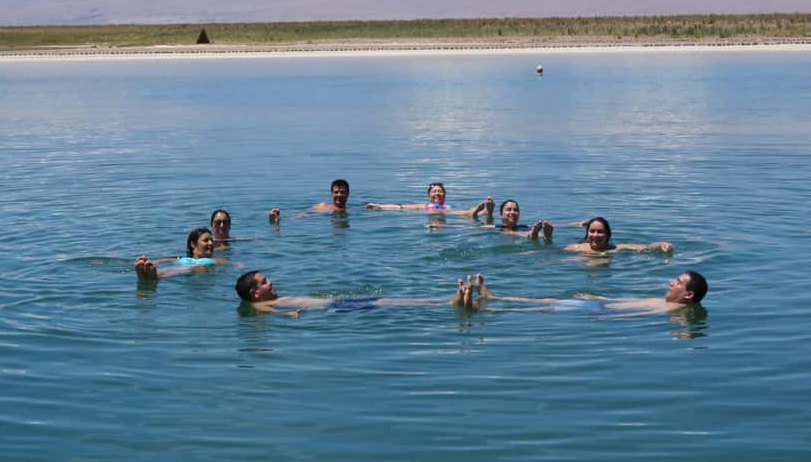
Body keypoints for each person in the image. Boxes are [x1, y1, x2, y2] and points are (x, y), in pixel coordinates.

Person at [234, 270, 479, 316]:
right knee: (387, 303)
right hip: (336, 309)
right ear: (255, 293)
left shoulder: (274, 299)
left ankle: (445, 301)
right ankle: (447, 303)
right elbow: (264, 311)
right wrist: (286, 316)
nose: (271, 282)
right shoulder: (258, 306)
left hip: (339, 303)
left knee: (387, 300)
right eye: (265, 282)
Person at [461, 271, 708, 313]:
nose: (670, 283)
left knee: (545, 308)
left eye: (676, 282)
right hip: (600, 307)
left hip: (600, 314)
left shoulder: (675, 309)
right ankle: (493, 299)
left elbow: (639, 315)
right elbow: (634, 302)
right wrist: (601, 298)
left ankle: (483, 309)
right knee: (548, 301)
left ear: (688, 295)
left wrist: (611, 315)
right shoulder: (666, 303)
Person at [135, 227, 229, 281]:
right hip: (185, 267)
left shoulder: (215, 260)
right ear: (193, 244)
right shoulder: (180, 258)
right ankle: (149, 274)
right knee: (175, 269)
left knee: (186, 269)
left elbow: (235, 264)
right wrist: (147, 261)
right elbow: (159, 261)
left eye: (211, 240)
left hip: (193, 269)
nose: (211, 243)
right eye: (206, 240)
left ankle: (152, 276)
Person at [365, 182, 494, 218]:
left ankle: (485, 212)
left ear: (445, 196)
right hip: (432, 217)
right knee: (467, 214)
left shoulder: (448, 207)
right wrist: (379, 206)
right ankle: (479, 212)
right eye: (434, 192)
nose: (437, 194)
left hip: (446, 215)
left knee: (464, 213)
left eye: (440, 192)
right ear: (429, 196)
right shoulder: (424, 206)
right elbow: (400, 207)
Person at [563, 217, 673, 254]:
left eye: (600, 232)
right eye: (592, 231)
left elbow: (646, 247)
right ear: (587, 234)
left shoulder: (616, 249)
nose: (595, 235)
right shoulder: (576, 248)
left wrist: (661, 244)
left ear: (608, 235)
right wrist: (548, 240)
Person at [269, 179, 350, 224]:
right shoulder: (322, 206)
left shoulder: (351, 210)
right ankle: (277, 218)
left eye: (342, 192)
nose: (339, 195)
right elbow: (302, 215)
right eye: (336, 192)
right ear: (331, 194)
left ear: (348, 194)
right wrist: (282, 217)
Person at [489, 198, 554, 241]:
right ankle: (534, 236)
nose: (513, 212)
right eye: (508, 210)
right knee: (506, 233)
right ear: (501, 214)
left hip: (525, 233)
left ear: (519, 214)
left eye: (516, 210)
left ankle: (547, 237)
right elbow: (480, 227)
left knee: (540, 234)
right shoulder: (496, 227)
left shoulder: (526, 227)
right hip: (515, 235)